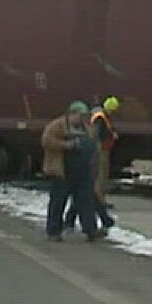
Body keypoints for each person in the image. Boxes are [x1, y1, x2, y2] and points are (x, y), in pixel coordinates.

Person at [41, 100, 103, 242]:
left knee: (86, 201)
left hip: (83, 171)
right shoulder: (57, 125)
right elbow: (46, 141)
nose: (82, 119)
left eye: (84, 116)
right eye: (80, 116)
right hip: (62, 170)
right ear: (71, 114)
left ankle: (90, 230)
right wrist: (66, 145)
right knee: (58, 201)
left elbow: (93, 144)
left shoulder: (86, 128)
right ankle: (53, 231)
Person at [65, 96, 120, 231]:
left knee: (84, 192)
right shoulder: (99, 118)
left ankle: (79, 221)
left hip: (91, 157)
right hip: (96, 155)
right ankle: (94, 224)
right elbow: (94, 137)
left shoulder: (97, 118)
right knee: (89, 190)